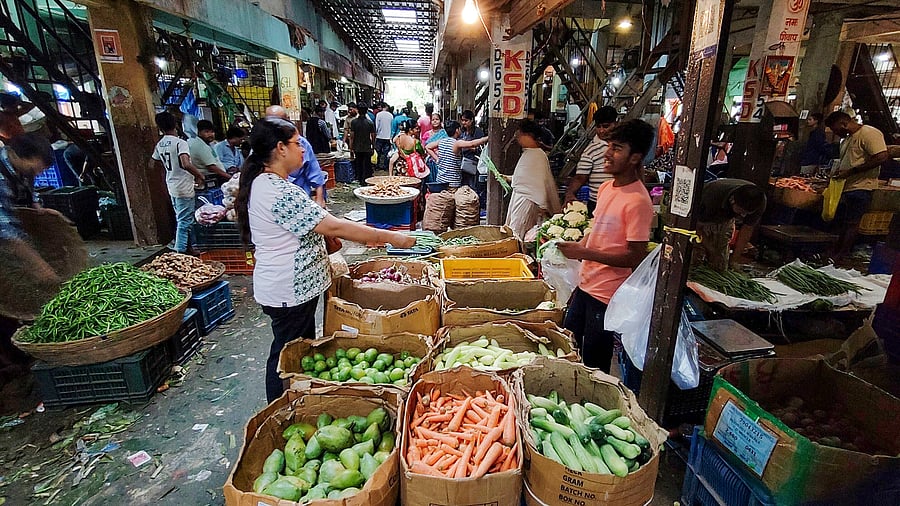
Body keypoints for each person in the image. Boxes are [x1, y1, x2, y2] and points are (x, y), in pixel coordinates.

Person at [234, 118, 415, 402]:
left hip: (290, 289)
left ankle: (295, 399)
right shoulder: (277, 192)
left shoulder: (268, 184)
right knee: (285, 354)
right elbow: (335, 227)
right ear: (280, 149)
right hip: (288, 290)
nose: (303, 149)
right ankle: (280, 405)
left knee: (297, 349)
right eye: (297, 143)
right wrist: (392, 238)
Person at [558, 119, 655, 372]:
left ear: (635, 158)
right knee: (567, 344)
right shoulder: (605, 188)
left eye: (617, 148)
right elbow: (596, 227)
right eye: (609, 145)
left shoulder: (638, 201)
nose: (607, 153)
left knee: (594, 361)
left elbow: (634, 257)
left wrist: (584, 252)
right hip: (586, 284)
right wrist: (582, 243)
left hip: (607, 295)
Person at [824, 111, 890, 260]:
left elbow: (881, 156)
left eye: (835, 129)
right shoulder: (847, 139)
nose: (835, 133)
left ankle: (842, 254)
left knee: (852, 222)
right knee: (842, 221)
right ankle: (835, 251)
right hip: (846, 186)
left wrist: (852, 171)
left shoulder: (869, 133)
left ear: (843, 124)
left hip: (862, 187)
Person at [0, 134, 59, 286]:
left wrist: (38, 207)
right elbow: (6, 232)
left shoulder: (21, 168)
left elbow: (29, 189)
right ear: (18, 155)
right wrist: (39, 266)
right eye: (35, 169)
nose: (38, 173)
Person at [150, 112, 205, 253]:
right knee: (184, 221)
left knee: (182, 217)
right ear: (175, 124)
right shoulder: (180, 143)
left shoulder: (160, 144)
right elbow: (186, 164)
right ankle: (179, 253)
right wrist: (199, 175)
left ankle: (189, 248)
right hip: (183, 186)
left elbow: (152, 165)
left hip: (171, 185)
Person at [504, 120, 561, 242]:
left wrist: (542, 205)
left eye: (520, 134)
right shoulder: (529, 153)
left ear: (529, 135)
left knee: (518, 235)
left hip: (528, 201)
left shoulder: (537, 155)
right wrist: (509, 178)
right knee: (516, 232)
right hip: (520, 198)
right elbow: (525, 177)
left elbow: (539, 182)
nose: (518, 138)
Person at [696, 179, 767, 270]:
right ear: (732, 200)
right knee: (696, 257)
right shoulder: (711, 196)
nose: (743, 215)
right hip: (704, 216)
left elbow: (747, 229)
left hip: (726, 218)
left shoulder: (759, 202)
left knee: (720, 263)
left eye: (747, 213)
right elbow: (696, 227)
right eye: (741, 211)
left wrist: (734, 259)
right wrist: (712, 251)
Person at [265, 105, 326, 208]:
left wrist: (319, 199)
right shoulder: (262, 146)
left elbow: (314, 171)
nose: (301, 150)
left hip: (300, 196)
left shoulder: (301, 143)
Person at [564, 106, 618, 214]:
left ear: (616, 124)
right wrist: (569, 194)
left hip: (619, 203)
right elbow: (580, 177)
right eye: (598, 127)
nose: (602, 130)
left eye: (606, 126)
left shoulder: (624, 147)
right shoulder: (591, 151)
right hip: (598, 204)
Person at [425, 120, 488, 190]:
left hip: (440, 180)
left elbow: (428, 147)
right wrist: (486, 138)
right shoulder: (456, 143)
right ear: (457, 130)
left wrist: (437, 159)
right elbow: (472, 144)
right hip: (452, 183)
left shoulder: (441, 141)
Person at [348, 102, 376, 185]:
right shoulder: (370, 123)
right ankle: (365, 180)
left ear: (358, 111)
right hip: (367, 147)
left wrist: (351, 148)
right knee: (366, 165)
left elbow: (352, 137)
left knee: (358, 164)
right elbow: (373, 136)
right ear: (366, 111)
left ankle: (360, 180)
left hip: (357, 147)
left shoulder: (354, 122)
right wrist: (373, 146)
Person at [458, 110, 485, 188]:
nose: (464, 123)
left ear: (472, 120)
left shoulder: (478, 132)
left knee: (472, 186)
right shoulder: (462, 131)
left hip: (473, 163)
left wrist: (470, 147)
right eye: (462, 120)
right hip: (462, 163)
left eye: (466, 120)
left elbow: (482, 149)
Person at [374, 102, 393, 171]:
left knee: (378, 152)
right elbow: (392, 126)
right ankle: (385, 166)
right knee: (386, 152)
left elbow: (376, 125)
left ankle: (377, 166)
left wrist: (376, 133)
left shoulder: (378, 115)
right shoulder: (390, 115)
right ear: (386, 107)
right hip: (387, 137)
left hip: (380, 136)